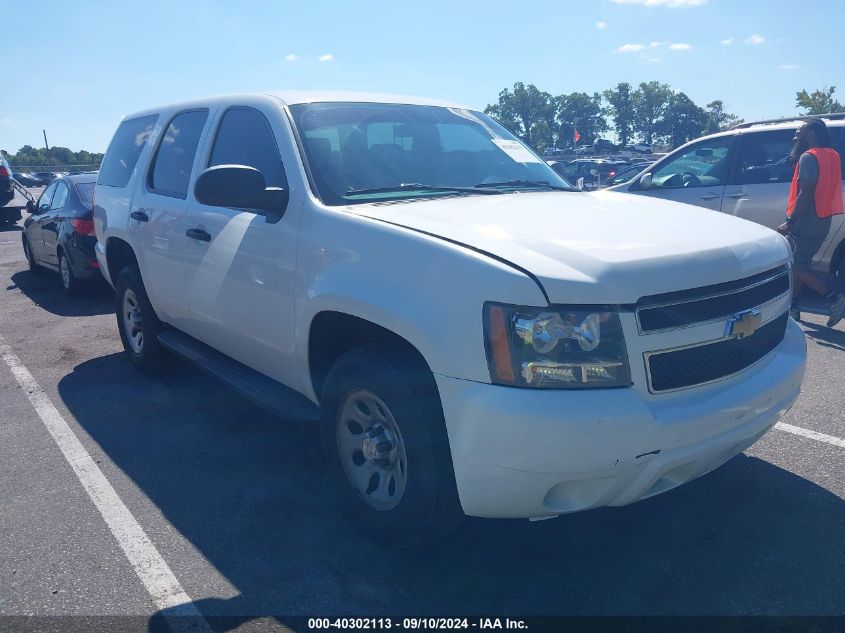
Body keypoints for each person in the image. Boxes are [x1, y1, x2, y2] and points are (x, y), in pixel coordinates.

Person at [777, 118, 845, 327]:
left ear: (812, 133)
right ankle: (794, 306)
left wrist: (790, 220)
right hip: (823, 219)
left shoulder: (809, 157)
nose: (796, 135)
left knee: (794, 264)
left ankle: (833, 297)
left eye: (801, 131)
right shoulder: (832, 155)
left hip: (806, 220)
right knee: (802, 262)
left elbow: (806, 192)